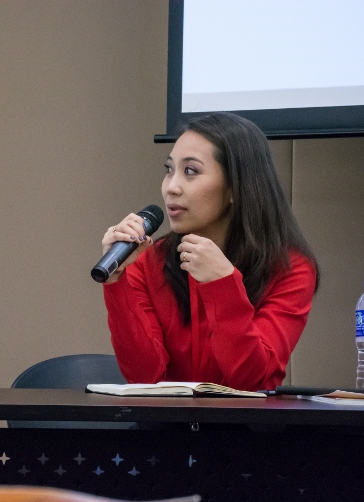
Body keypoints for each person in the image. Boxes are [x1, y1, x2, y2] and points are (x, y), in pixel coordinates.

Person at [100, 112, 319, 392]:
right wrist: (117, 283)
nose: (171, 187)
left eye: (190, 171)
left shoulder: (290, 268)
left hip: (244, 431)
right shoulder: (148, 260)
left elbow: (253, 382)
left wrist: (223, 285)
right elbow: (144, 378)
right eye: (169, 170)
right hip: (163, 429)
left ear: (235, 188)